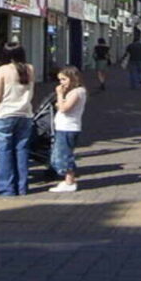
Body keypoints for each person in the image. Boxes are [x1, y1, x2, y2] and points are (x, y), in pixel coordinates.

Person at [0, 42, 35, 196]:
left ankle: (6, 188)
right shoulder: (30, 69)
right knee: (22, 150)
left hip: (3, 115)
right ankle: (22, 186)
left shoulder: (2, 70)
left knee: (3, 152)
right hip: (25, 114)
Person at [50, 65, 87, 193]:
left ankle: (70, 182)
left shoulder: (77, 92)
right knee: (59, 155)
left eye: (64, 79)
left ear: (73, 78)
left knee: (64, 155)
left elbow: (64, 108)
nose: (61, 83)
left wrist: (60, 95)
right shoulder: (74, 92)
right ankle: (68, 179)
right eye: (60, 80)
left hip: (68, 128)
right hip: (63, 127)